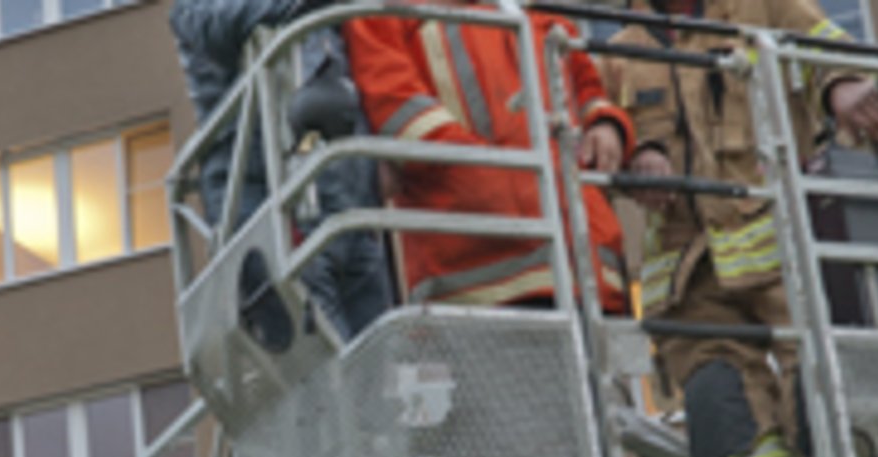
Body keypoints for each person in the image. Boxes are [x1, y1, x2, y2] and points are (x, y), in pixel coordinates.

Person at [601, 0, 878, 457]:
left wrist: (842, 82)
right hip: (687, 277)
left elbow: (827, 45)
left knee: (822, 384)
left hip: (783, 255)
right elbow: (597, 130)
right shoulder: (617, 55)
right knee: (722, 410)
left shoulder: (763, 7)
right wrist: (637, 154)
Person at [343, 1, 634, 312]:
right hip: (481, 275)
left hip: (590, 272)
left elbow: (587, 89)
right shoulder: (386, 10)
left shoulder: (539, 12)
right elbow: (399, 112)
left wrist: (606, 124)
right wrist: (500, 178)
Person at [170, 0, 395, 338]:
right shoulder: (199, 8)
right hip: (268, 206)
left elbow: (340, 85)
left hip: (345, 207)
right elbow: (222, 24)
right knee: (320, 353)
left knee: (377, 352)